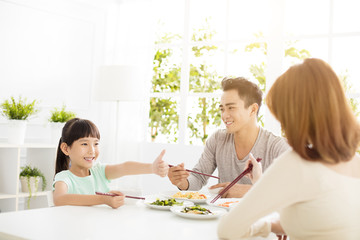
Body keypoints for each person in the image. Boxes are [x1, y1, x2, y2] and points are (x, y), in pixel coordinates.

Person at [218, 58, 360, 239]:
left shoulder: (297, 163)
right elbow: (326, 219)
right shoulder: (355, 162)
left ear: (297, 116)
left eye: (283, 115)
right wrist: (275, 225)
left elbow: (227, 230)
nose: (283, 126)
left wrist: (262, 227)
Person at [168, 77, 289, 197]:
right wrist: (182, 182)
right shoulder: (217, 139)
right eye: (222, 109)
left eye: (231, 108)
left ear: (252, 109)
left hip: (261, 216)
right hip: (221, 214)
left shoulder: (277, 146)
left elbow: (293, 190)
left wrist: (247, 191)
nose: (225, 115)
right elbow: (198, 178)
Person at [53, 118, 169, 209]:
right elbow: (59, 199)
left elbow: (125, 168)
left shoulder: (99, 171)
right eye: (84, 144)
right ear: (66, 149)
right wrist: (102, 199)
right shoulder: (64, 178)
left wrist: (152, 168)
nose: (92, 150)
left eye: (96, 144)